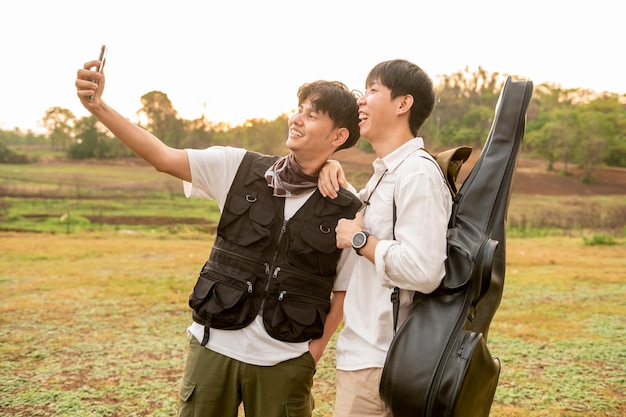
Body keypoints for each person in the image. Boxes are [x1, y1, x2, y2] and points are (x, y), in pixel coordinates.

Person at [75, 57, 362, 417]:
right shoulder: (237, 167)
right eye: (298, 109)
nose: (297, 118)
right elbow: (162, 157)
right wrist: (98, 107)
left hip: (286, 361)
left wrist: (312, 353)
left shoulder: (349, 208)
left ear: (339, 136)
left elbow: (343, 290)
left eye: (312, 114)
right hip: (213, 347)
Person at [317, 59, 453, 416]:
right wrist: (329, 164)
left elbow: (424, 270)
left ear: (402, 104)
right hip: (366, 356)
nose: (361, 101)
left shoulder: (416, 174)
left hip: (381, 361)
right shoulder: (386, 175)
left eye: (372, 91)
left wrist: (360, 242)